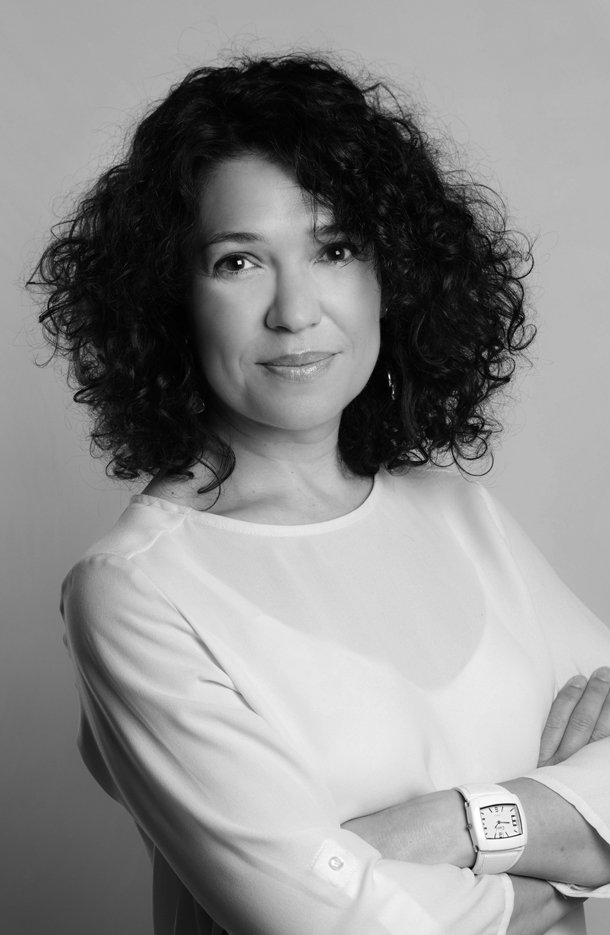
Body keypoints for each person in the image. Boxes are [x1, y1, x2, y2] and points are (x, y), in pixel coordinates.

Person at [31, 53, 610, 935]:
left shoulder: (460, 515)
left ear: (393, 275)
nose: (295, 311)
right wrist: (565, 866)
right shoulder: (134, 590)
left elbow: (354, 892)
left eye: (334, 249)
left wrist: (455, 825)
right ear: (169, 297)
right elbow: (326, 924)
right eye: (237, 261)